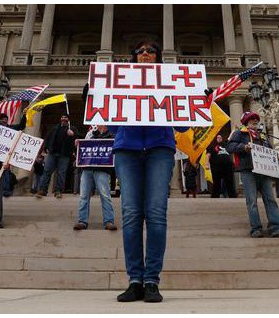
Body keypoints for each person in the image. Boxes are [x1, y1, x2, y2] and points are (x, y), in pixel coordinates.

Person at [106, 39, 189, 303]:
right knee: (130, 213)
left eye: (151, 51)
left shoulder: (170, 83)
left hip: (160, 148)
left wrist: (195, 101)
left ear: (158, 57)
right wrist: (98, 99)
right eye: (139, 50)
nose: (145, 54)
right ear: (134, 56)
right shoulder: (119, 83)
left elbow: (183, 126)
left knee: (155, 213)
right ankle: (134, 280)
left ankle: (151, 280)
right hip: (127, 150)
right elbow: (110, 126)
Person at [226, 111, 279, 238]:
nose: (255, 121)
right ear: (246, 122)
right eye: (252, 119)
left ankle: (275, 227)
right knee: (252, 201)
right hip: (248, 171)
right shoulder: (239, 133)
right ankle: (256, 228)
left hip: (264, 172)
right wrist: (243, 147)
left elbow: (270, 151)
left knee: (270, 199)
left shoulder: (262, 135)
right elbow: (230, 146)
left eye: (256, 119)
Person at [73, 125, 117, 231]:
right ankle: (82, 221)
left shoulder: (113, 136)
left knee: (105, 195)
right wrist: (78, 144)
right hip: (87, 168)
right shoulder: (91, 134)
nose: (97, 124)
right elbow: (84, 147)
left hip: (102, 169)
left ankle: (109, 221)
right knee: (84, 196)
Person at [36, 114, 78, 199]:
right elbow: (48, 138)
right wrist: (46, 148)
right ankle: (42, 189)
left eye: (65, 117)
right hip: (52, 153)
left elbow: (77, 140)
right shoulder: (55, 128)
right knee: (47, 170)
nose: (63, 119)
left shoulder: (72, 129)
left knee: (61, 173)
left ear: (68, 120)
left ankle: (58, 191)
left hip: (64, 154)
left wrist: (73, 135)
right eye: (62, 117)